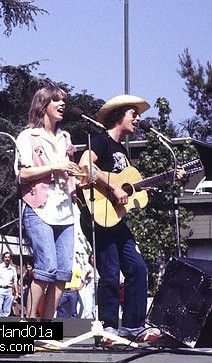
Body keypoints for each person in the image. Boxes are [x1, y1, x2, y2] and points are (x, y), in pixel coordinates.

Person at [77, 94, 185, 342]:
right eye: (133, 114)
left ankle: (134, 326)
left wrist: (166, 177)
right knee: (111, 271)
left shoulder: (122, 153)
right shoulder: (101, 140)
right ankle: (108, 329)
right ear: (119, 116)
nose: (138, 119)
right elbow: (85, 166)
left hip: (117, 218)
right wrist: (113, 188)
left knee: (138, 267)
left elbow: (131, 186)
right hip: (99, 214)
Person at [16, 84, 80, 322]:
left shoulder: (66, 138)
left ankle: (47, 323)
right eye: (56, 100)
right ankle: (30, 321)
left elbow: (69, 172)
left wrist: (78, 175)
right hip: (39, 208)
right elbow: (23, 175)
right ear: (43, 105)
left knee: (63, 272)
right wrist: (55, 166)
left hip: (65, 210)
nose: (62, 104)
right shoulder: (27, 136)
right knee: (46, 268)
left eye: (64, 100)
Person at [0, 252, 18, 317]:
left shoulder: (13, 269)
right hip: (0, 289)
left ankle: (5, 320)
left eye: (8, 257)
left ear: (10, 259)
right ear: (3, 258)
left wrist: (16, 292)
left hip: (9, 289)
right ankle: (1, 319)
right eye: (6, 257)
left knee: (7, 309)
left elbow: (15, 281)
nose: (7, 259)